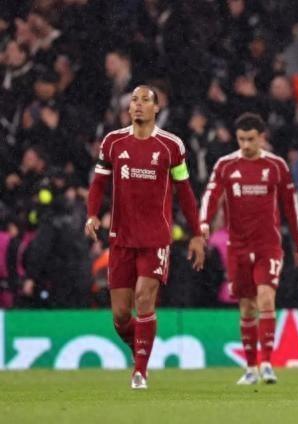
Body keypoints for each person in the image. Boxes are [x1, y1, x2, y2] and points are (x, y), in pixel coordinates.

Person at [85, 85, 205, 390]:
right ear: (129, 109)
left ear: (156, 108)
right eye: (134, 101)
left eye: (145, 100)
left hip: (155, 238)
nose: (138, 105)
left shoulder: (171, 146)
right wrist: (92, 214)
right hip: (121, 238)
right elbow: (98, 183)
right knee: (120, 316)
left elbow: (185, 192)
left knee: (144, 297)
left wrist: (196, 233)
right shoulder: (113, 142)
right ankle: (140, 344)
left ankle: (140, 371)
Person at [199, 112, 298, 385]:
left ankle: (268, 364)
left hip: (267, 246)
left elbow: (291, 206)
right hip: (237, 247)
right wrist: (203, 224)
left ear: (262, 137)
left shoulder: (276, 166)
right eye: (241, 139)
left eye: (250, 139)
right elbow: (211, 196)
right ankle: (250, 369)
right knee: (247, 307)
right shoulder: (226, 165)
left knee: (266, 298)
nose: (246, 145)